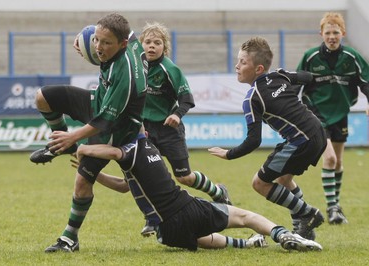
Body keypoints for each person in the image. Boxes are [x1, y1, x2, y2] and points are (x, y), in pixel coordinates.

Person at [68, 130, 323, 252]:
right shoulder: (142, 148)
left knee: (200, 237)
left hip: (166, 232)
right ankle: (284, 235)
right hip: (186, 209)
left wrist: (92, 168)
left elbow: (124, 185)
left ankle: (246, 244)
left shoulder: (133, 152)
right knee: (247, 217)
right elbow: (115, 157)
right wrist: (83, 150)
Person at [28, 13, 149, 252]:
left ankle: (69, 238)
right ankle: (60, 146)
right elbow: (112, 28)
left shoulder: (125, 76)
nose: (98, 48)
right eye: (96, 40)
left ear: (122, 44)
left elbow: (104, 121)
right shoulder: (129, 39)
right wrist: (83, 37)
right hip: (98, 102)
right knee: (43, 97)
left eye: (105, 43)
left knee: (82, 182)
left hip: (115, 129)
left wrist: (73, 136)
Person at [208, 37, 326, 240]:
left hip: (301, 140)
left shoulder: (253, 98)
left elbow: (254, 140)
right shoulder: (280, 75)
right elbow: (307, 77)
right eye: (238, 61)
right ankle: (303, 228)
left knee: (259, 183)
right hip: (318, 132)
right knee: (284, 179)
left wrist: (229, 154)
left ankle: (308, 213)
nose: (237, 66)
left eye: (243, 62)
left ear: (258, 68)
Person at [138, 22, 232, 235]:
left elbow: (187, 99)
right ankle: (152, 219)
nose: (151, 46)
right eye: (148, 42)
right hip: (146, 131)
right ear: (141, 44)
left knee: (184, 177)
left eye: (157, 43)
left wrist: (176, 115)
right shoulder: (136, 68)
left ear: (165, 47)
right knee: (151, 175)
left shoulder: (170, 69)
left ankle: (218, 191)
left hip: (170, 130)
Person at [296, 12, 369, 225]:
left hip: (340, 114)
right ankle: (332, 208)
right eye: (327, 32)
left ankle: (336, 204)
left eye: (335, 32)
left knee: (338, 162)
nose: (332, 36)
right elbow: (296, 83)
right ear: (321, 34)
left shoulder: (352, 57)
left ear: (342, 33)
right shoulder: (310, 57)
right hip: (315, 114)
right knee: (329, 159)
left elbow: (365, 82)